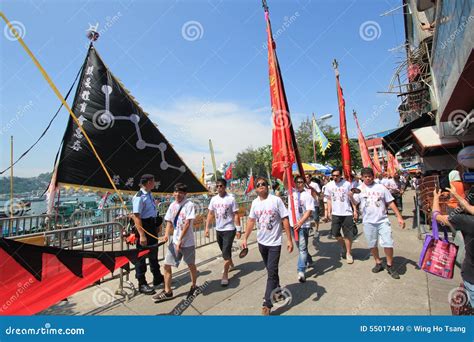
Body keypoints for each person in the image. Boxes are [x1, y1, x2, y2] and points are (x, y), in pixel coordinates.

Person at [242, 177, 294, 315]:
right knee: (272, 271)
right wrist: (245, 238)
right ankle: (277, 291)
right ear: (256, 189)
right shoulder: (254, 203)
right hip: (261, 243)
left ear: (267, 187)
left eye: (263, 184)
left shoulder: (276, 200)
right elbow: (251, 221)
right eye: (258, 185)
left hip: (274, 243)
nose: (261, 186)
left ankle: (267, 302)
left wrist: (289, 239)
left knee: (271, 273)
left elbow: (285, 219)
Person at [349, 168, 405, 279]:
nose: (367, 178)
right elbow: (356, 202)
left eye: (369, 176)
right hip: (368, 222)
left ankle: (390, 265)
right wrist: (351, 197)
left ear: (373, 176)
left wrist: (399, 217)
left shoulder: (381, 188)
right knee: (372, 244)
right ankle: (378, 262)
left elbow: (390, 202)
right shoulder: (359, 189)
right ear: (362, 177)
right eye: (365, 176)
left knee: (388, 243)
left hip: (382, 220)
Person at [153, 183, 198, 301]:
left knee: (190, 265)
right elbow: (168, 221)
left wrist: (180, 241)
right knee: (167, 265)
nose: (178, 194)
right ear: (173, 193)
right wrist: (167, 234)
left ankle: (194, 286)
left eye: (181, 192)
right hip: (175, 241)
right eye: (176, 192)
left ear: (185, 194)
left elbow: (187, 223)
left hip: (187, 242)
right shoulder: (172, 205)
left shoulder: (189, 205)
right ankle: (168, 291)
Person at [432, 186, 474, 308]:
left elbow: (436, 216)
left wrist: (436, 198)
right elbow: (470, 207)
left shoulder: (465, 220)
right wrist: (457, 196)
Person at [131, 174, 164, 295]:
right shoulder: (139, 197)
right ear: (148, 182)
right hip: (144, 228)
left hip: (151, 226)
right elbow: (136, 216)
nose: (155, 183)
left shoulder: (149, 194)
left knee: (153, 253)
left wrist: (157, 225)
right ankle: (142, 283)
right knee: (141, 257)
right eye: (153, 181)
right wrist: (142, 234)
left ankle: (157, 277)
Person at [205, 178, 241, 286]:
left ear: (225, 187)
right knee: (224, 251)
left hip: (229, 229)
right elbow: (210, 214)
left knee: (225, 252)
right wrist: (207, 228)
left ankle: (225, 275)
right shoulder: (214, 199)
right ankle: (231, 264)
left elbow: (235, 214)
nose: (219, 188)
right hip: (219, 229)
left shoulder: (231, 199)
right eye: (217, 186)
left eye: (221, 186)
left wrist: (238, 229)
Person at [324, 168, 358, 263]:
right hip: (335, 213)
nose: (335, 177)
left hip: (347, 213)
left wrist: (355, 210)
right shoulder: (329, 185)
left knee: (348, 235)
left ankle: (348, 253)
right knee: (335, 233)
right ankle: (343, 245)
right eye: (333, 175)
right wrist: (328, 212)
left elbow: (351, 198)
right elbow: (329, 199)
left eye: (337, 175)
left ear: (341, 175)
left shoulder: (347, 184)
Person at [290, 176, 315, 282]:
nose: (299, 184)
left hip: (303, 226)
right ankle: (308, 259)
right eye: (297, 182)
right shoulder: (291, 193)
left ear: (304, 183)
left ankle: (301, 271)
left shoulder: (307, 195)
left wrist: (300, 222)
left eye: (301, 182)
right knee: (300, 247)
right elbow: (285, 181)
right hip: (293, 225)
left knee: (302, 248)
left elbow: (309, 211)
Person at [304, 173, 321, 240]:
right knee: (307, 218)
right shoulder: (303, 185)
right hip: (306, 205)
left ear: (310, 177)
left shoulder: (315, 184)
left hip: (314, 204)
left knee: (316, 218)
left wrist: (313, 189)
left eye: (307, 177)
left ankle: (316, 230)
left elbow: (319, 193)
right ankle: (309, 228)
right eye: (305, 177)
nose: (306, 178)